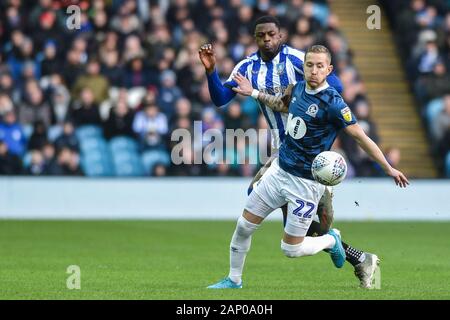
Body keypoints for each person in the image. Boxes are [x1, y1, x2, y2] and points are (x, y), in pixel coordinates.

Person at [207, 45, 409, 289]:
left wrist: (388, 167)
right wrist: (254, 94)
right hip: (279, 170)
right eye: (310, 65)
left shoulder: (334, 103)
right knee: (244, 225)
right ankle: (234, 280)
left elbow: (359, 136)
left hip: (304, 183)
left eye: (320, 66)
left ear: (329, 69)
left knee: (290, 249)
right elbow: (282, 104)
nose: (314, 70)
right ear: (304, 68)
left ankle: (332, 241)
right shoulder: (299, 87)